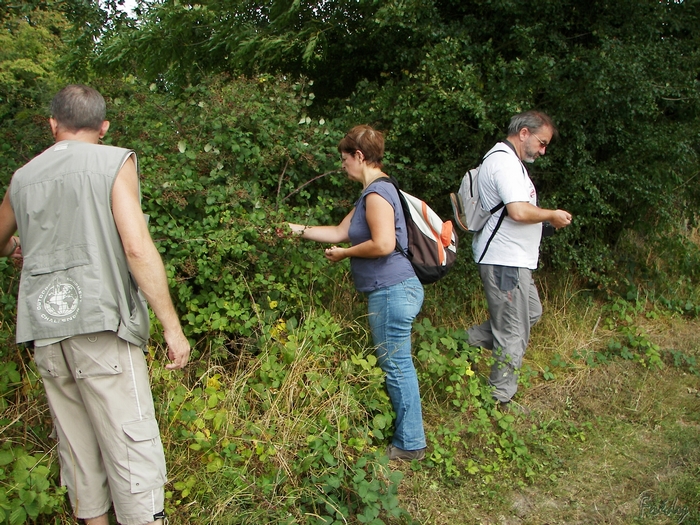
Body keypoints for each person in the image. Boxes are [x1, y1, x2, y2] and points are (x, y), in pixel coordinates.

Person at [0, 84, 191, 525]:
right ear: (104, 126)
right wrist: (171, 327)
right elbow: (137, 247)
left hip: (47, 334)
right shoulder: (113, 161)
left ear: (53, 125)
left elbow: (0, 237)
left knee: (80, 456)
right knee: (132, 451)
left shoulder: (23, 176)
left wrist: (14, 247)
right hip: (102, 328)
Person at [289, 125, 427, 461]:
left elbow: (383, 244)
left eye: (345, 159)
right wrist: (292, 229)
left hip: (391, 289)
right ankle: (410, 439)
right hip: (394, 289)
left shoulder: (378, 194)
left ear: (359, 156)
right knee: (397, 364)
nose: (343, 166)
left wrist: (344, 254)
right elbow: (339, 230)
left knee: (396, 367)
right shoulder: (372, 193)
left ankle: (411, 443)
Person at [468, 110, 572, 409]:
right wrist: (550, 215)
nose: (543, 150)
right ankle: (499, 400)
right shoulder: (503, 162)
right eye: (541, 143)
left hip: (515, 260)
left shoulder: (510, 162)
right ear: (523, 133)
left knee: (530, 315)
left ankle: (461, 342)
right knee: (512, 333)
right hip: (504, 260)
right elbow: (518, 211)